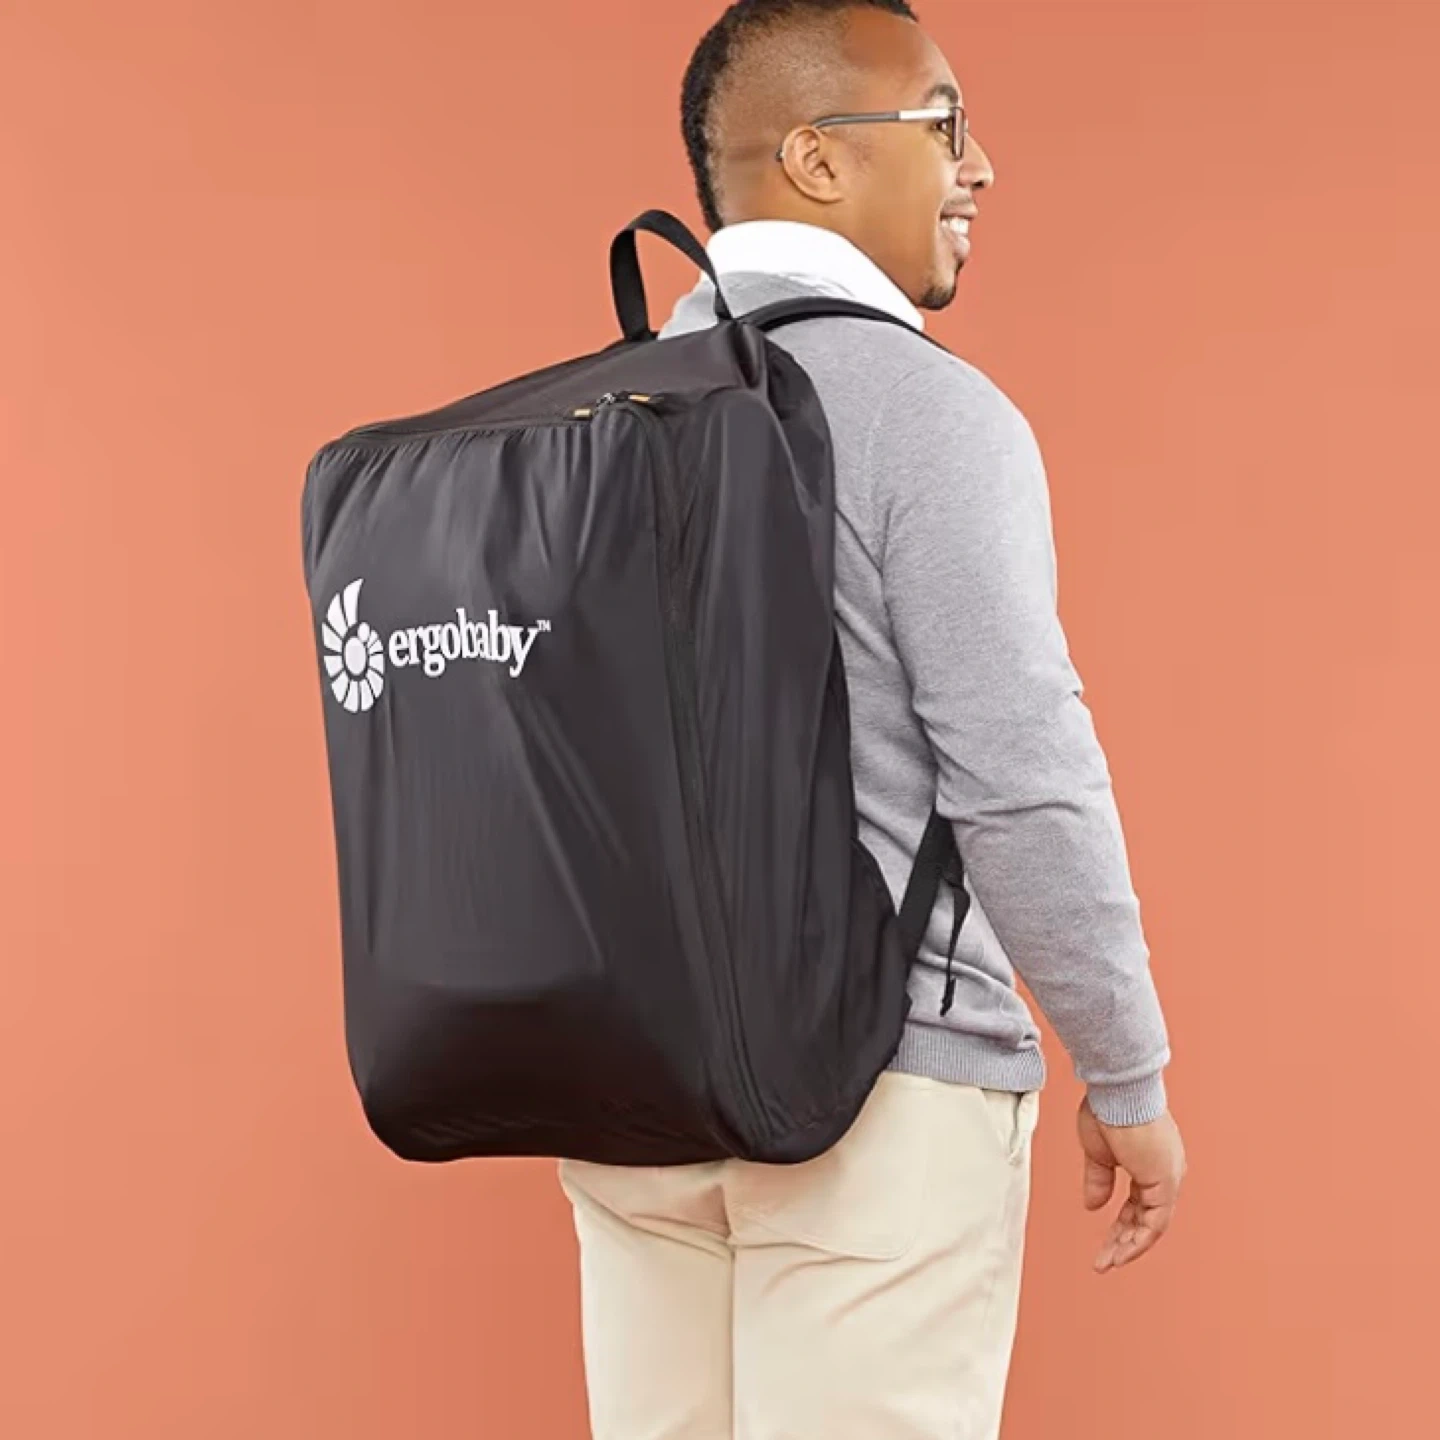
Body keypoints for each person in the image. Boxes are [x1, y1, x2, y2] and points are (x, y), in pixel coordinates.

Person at [558, 3, 1188, 1436]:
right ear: (817, 159)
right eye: (945, 121)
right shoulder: (927, 414)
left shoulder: (600, 415)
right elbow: (1021, 777)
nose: (982, 165)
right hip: (881, 1096)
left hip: (631, 1088)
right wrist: (1127, 1071)